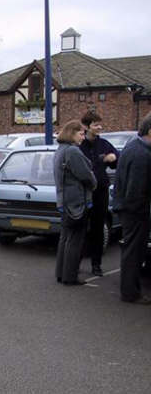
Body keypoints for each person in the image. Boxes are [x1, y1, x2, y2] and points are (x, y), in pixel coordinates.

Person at [112, 112, 151, 304]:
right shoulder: (142, 154)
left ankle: (130, 290)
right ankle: (130, 293)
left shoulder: (133, 146)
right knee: (133, 254)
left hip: (127, 209)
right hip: (134, 212)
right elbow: (135, 191)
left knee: (131, 252)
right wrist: (142, 212)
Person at [54, 120, 97, 285]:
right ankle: (70, 276)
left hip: (64, 201)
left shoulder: (60, 150)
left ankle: (61, 274)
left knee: (65, 238)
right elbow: (86, 175)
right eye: (80, 134)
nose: (83, 137)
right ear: (72, 133)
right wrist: (94, 183)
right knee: (75, 240)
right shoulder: (73, 151)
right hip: (76, 202)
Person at [79, 111, 119, 276]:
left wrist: (113, 157)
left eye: (100, 124)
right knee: (80, 229)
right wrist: (102, 159)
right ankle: (76, 263)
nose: (99, 127)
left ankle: (96, 265)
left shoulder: (104, 144)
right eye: (96, 125)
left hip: (101, 192)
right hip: (83, 192)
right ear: (87, 127)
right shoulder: (79, 145)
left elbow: (117, 160)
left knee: (98, 229)